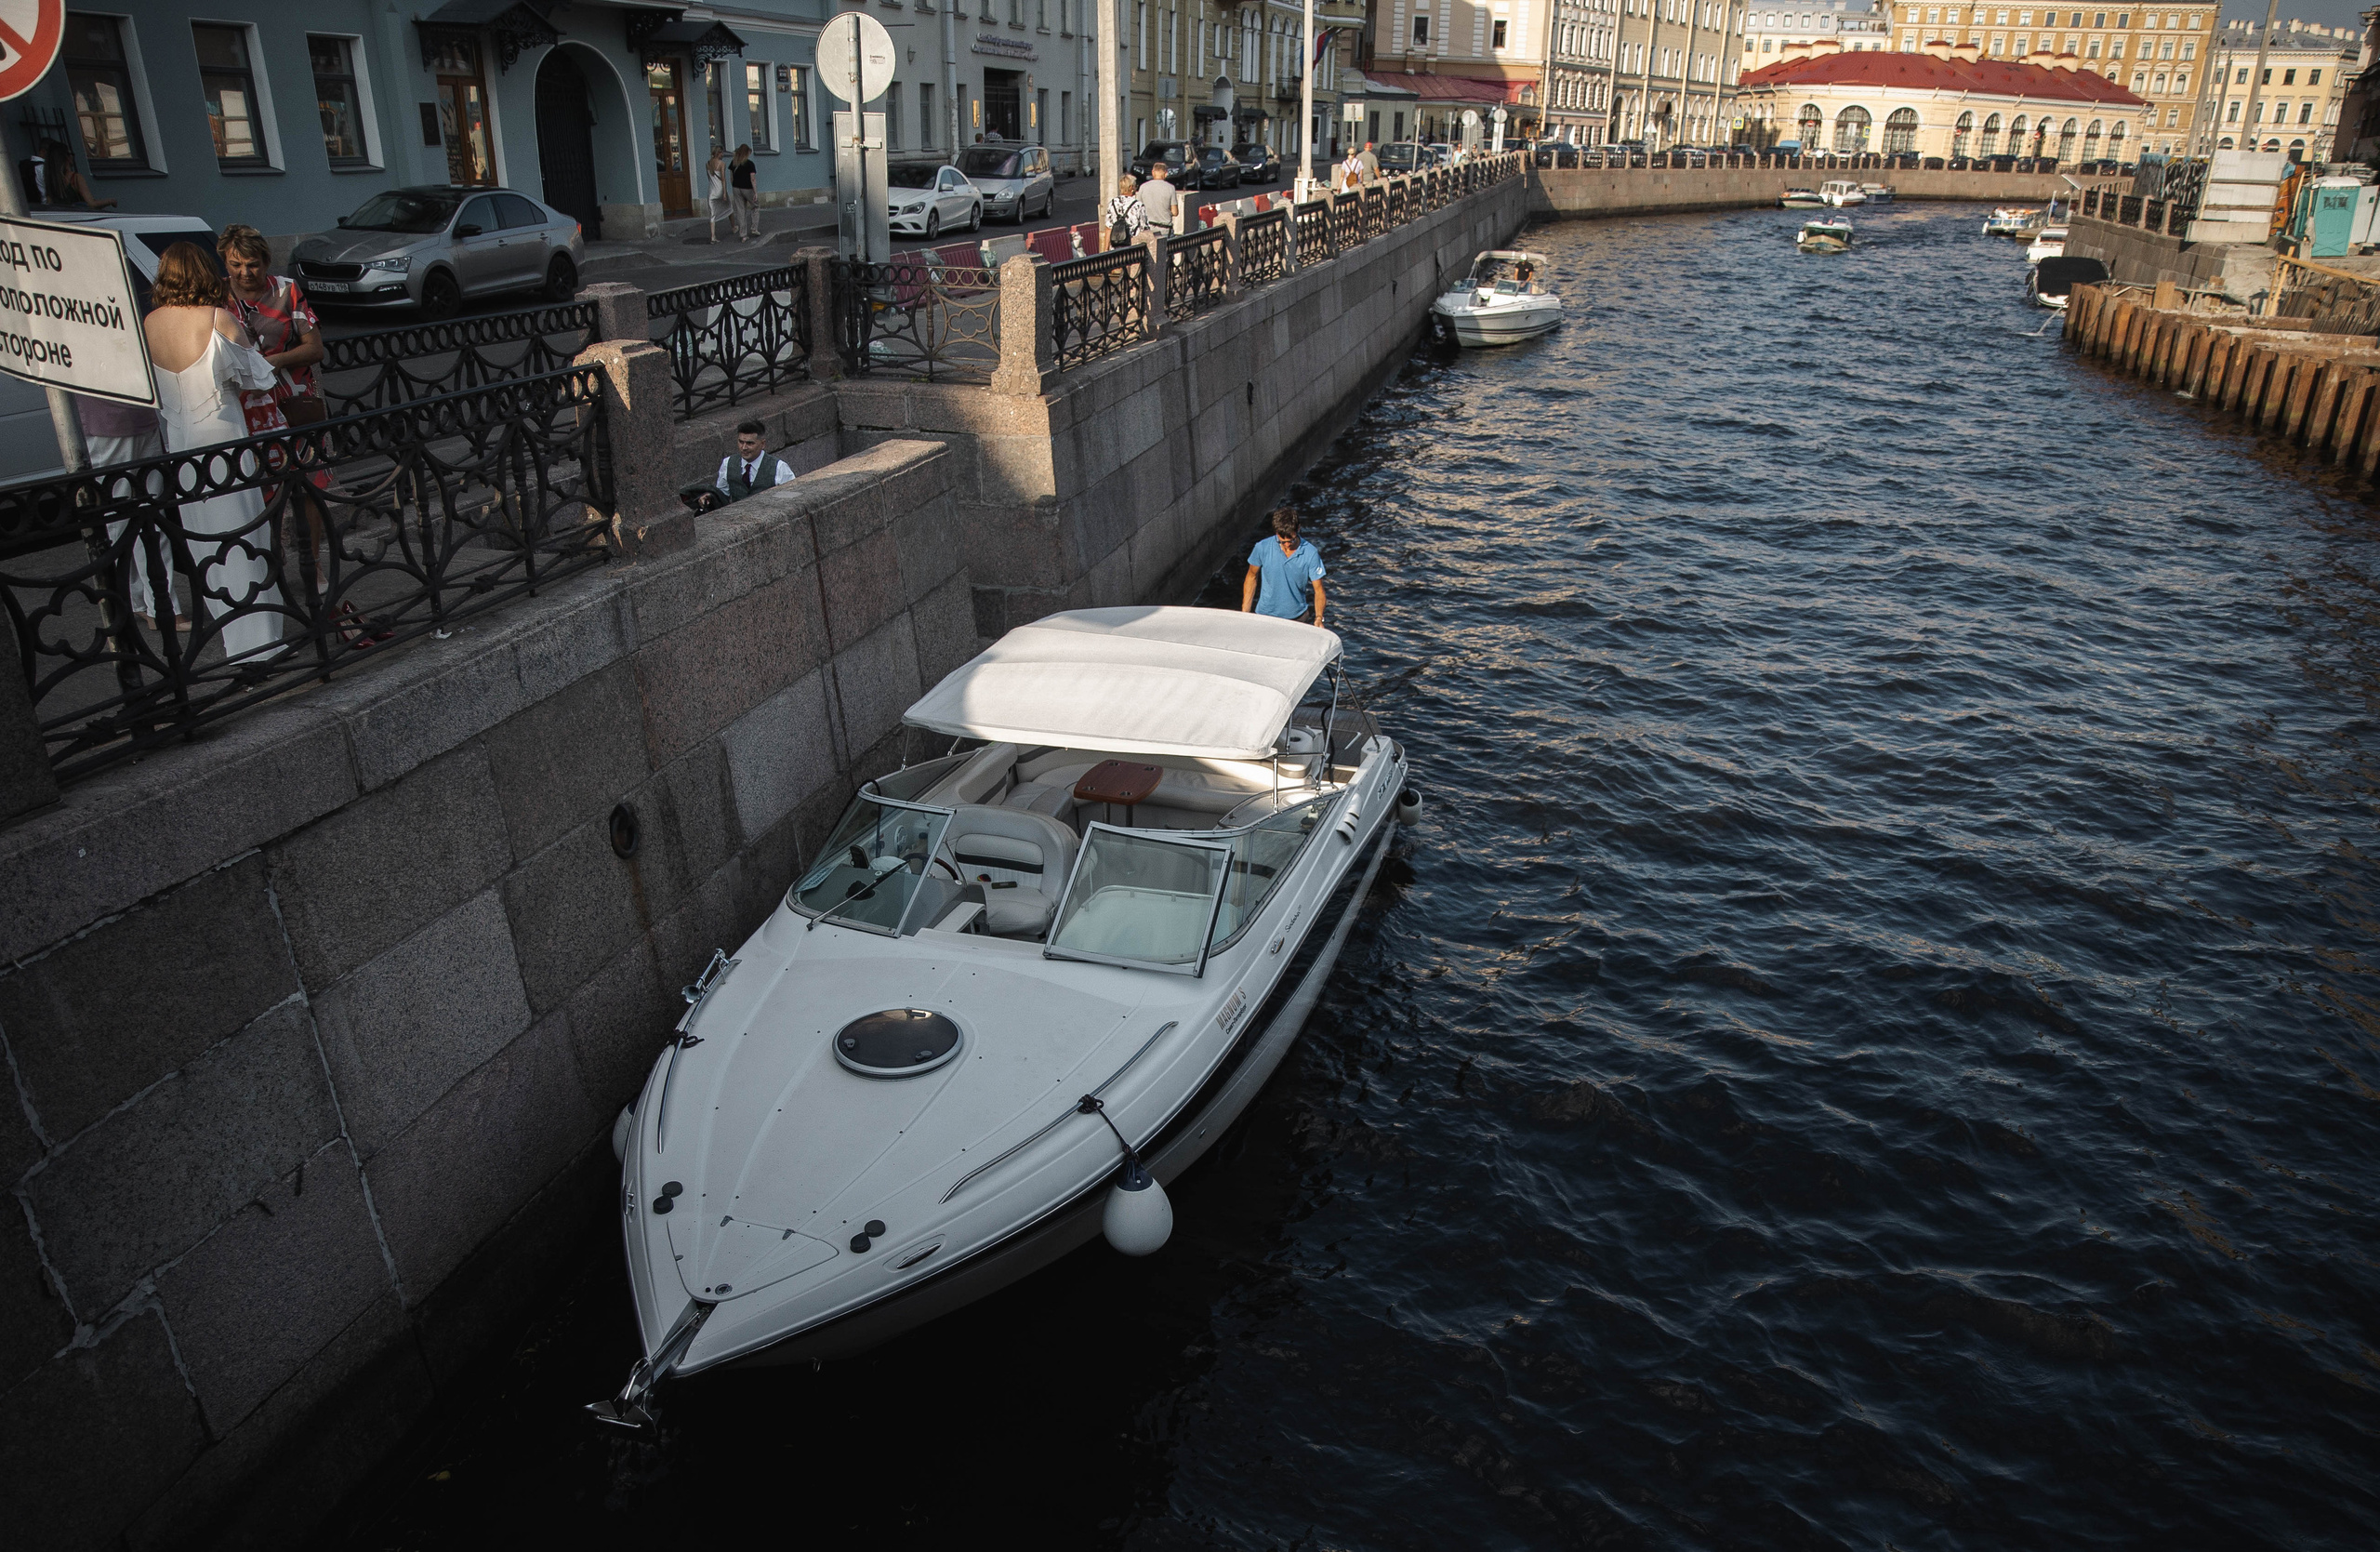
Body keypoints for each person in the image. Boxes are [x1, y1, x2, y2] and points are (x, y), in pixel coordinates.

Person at [142, 242, 284, 661]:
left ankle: (231, 638)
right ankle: (260, 644)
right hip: (222, 438)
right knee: (243, 533)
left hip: (181, 443)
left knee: (206, 540)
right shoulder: (218, 318)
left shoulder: (149, 323)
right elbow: (259, 377)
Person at [1240, 507, 1327, 629]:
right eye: (1282, 541)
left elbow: (1319, 590)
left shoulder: (1310, 553)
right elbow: (1251, 577)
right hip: (1265, 618)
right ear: (1276, 533)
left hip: (1298, 620)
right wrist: (1245, 613)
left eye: (1291, 540)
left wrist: (1319, 618)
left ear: (1298, 529)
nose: (1287, 545)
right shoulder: (1262, 548)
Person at [18, 139, 114, 209]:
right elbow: (91, 204)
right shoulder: (75, 178)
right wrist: (111, 201)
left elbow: (48, 202)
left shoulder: (50, 176)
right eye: (70, 154)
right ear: (66, 157)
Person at [714, 420, 796, 502]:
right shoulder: (728, 464)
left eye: (750, 443)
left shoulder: (779, 468)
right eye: (741, 442)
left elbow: (792, 499)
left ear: (762, 444)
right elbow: (721, 496)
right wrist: (711, 497)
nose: (744, 448)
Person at [1106, 173, 1150, 248]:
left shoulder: (1112, 203)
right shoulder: (1138, 205)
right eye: (1136, 186)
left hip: (1115, 247)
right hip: (1132, 248)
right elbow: (1144, 229)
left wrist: (1105, 250)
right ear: (1131, 187)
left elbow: (1108, 228)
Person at [1140, 161, 1180, 236]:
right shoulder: (1170, 188)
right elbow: (1175, 212)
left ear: (1152, 172)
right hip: (1165, 229)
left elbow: (1139, 208)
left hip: (1148, 229)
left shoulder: (1143, 187)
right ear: (1166, 174)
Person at [730, 144, 760, 241]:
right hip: (747, 188)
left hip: (736, 188)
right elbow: (753, 179)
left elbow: (731, 177)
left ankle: (743, 235)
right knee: (755, 206)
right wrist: (755, 192)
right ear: (747, 153)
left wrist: (734, 186)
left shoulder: (733, 163)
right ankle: (754, 228)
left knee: (740, 210)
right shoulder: (750, 164)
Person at [706, 146, 730, 242]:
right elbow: (723, 179)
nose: (723, 155)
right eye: (721, 153)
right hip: (719, 189)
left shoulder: (707, 164)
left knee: (712, 214)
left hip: (711, 191)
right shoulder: (722, 164)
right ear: (718, 153)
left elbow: (709, 177)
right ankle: (734, 226)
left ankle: (712, 236)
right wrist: (724, 193)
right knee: (729, 207)